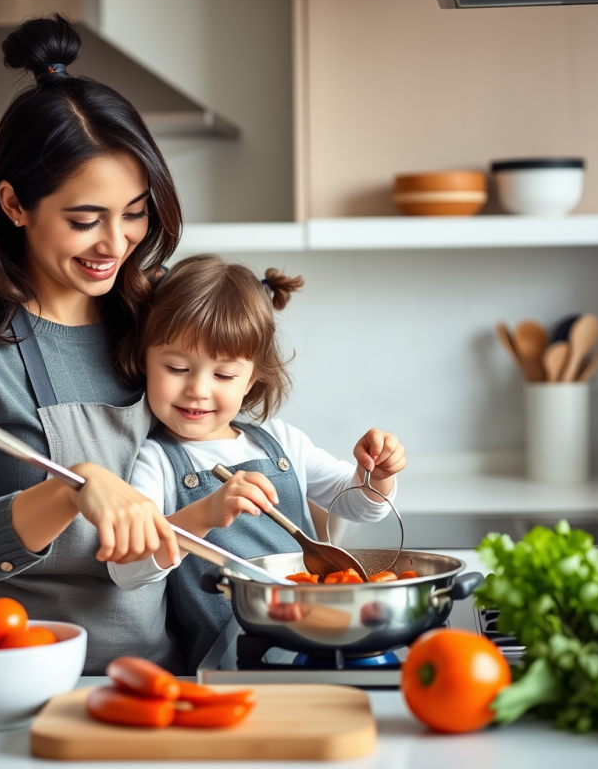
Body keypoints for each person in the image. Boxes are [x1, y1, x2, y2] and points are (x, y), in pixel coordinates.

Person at [0, 14, 185, 674]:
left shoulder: (154, 314)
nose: (117, 244)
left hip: (155, 680)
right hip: (13, 681)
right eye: (86, 220)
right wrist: (72, 487)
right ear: (15, 205)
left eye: (135, 212)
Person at [108, 254, 407, 672]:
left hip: (317, 638)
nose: (197, 389)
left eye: (224, 376)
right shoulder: (155, 460)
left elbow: (360, 506)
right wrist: (206, 512)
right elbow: (128, 571)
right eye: (177, 367)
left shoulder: (280, 442)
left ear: (251, 379)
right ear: (144, 360)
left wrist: (377, 472)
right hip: (228, 659)